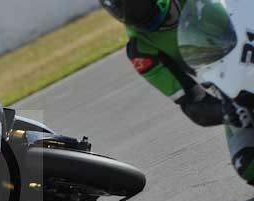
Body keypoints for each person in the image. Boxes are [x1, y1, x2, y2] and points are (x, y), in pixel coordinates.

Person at [99, 0, 254, 183]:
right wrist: (226, 111)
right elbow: (192, 104)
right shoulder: (141, 49)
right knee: (248, 166)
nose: (137, 15)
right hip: (234, 95)